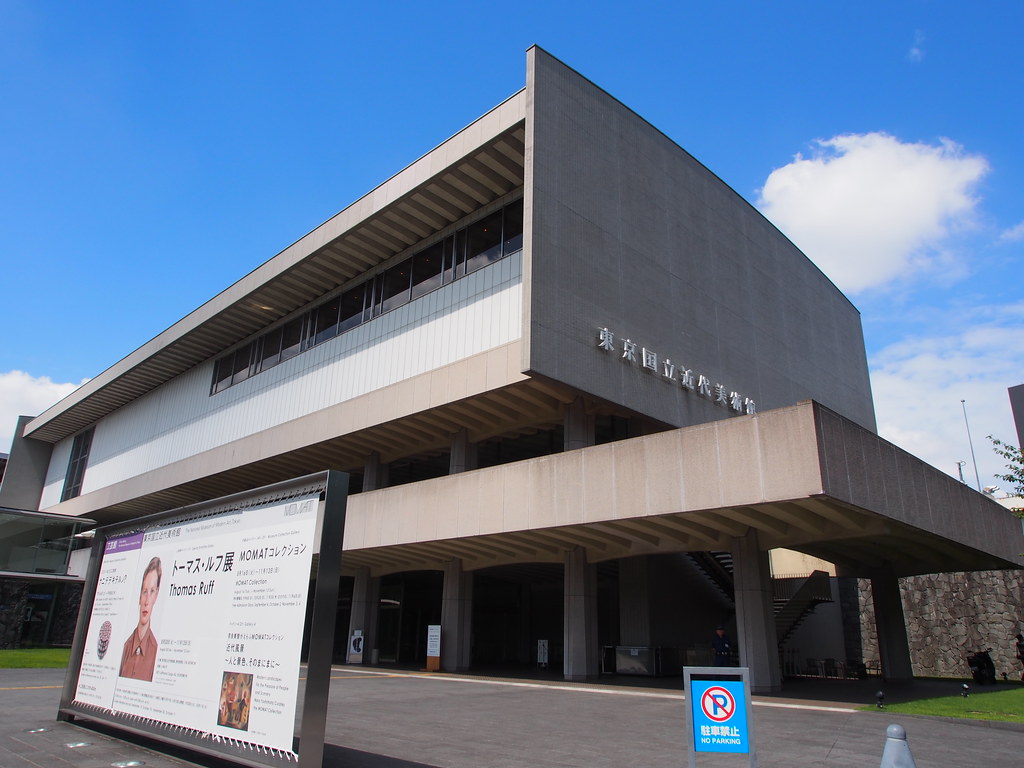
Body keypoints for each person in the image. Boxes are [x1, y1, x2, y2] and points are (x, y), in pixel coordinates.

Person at [119, 556, 162, 681]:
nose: (147, 601)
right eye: (144, 592)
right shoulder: (125, 647)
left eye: (152, 591)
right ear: (139, 596)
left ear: (157, 595)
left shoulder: (155, 652)